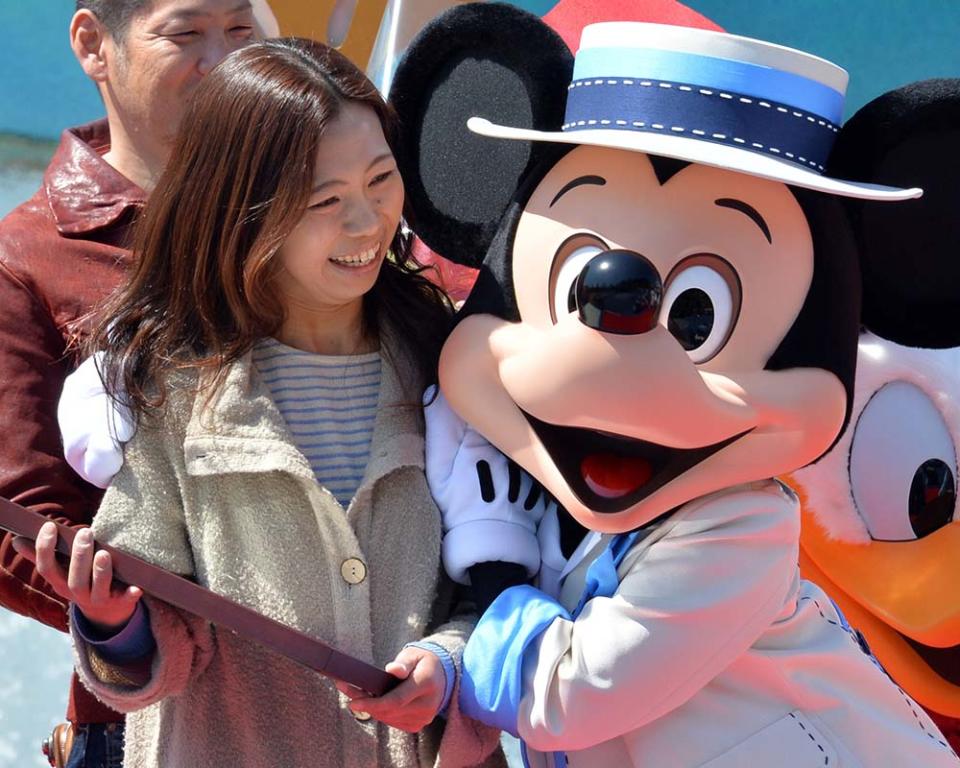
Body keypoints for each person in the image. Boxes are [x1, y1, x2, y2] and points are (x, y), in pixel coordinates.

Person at [16, 37, 504, 768]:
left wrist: (451, 661)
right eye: (325, 201)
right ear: (238, 210)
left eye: (381, 181)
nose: (367, 224)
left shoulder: (453, 362)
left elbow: (503, 576)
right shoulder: (165, 384)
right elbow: (156, 654)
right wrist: (114, 622)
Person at [0, 2, 277, 765]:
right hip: (148, 717)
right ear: (94, 45)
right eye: (186, 34)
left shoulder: (316, 208)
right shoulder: (24, 257)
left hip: (366, 691)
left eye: (242, 32)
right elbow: (19, 530)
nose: (222, 61)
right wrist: (147, 623)